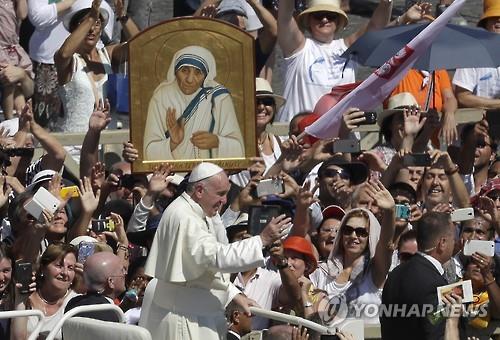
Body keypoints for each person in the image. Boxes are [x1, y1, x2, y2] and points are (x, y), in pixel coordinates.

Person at [140, 162, 290, 339]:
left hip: (198, 316)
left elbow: (209, 267)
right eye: (220, 194)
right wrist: (261, 240)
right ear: (200, 190)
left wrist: (234, 295)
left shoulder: (201, 211)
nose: (225, 200)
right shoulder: (184, 217)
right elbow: (216, 257)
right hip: (185, 321)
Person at [276, 0, 392, 122]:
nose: (325, 20)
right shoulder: (298, 48)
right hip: (298, 136)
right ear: (308, 20)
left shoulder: (347, 48)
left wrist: (386, 2)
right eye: (318, 15)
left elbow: (376, 28)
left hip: (341, 135)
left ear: (338, 21)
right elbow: (285, 18)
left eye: (331, 16)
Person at [310, 181, 396, 325]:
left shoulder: (375, 271)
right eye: (348, 230)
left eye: (361, 232)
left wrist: (390, 212)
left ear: (370, 237)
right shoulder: (322, 272)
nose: (354, 236)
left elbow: (386, 245)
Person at [143, 45, 245, 161]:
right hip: (172, 176)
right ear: (175, 71)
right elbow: (148, 153)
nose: (190, 79)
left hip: (210, 175)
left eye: (198, 73)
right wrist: (173, 143)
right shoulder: (161, 97)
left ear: (206, 76)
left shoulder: (219, 97)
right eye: (184, 70)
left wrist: (217, 141)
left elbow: (239, 149)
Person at [380, 212, 461, 340]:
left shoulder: (395, 274)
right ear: (443, 243)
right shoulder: (434, 284)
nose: (455, 243)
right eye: (453, 239)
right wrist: (452, 321)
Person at [11, 243, 79, 340]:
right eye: (59, 266)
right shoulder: (27, 298)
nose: (65, 273)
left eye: (70, 268)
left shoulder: (76, 302)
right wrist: (20, 301)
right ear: (43, 268)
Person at [453, 0, 500, 109]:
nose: (498, 19)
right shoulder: (471, 53)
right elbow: (462, 97)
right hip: (478, 120)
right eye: (493, 16)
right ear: (485, 23)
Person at [65, 252, 127, 322]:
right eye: (122, 270)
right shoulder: (110, 313)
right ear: (111, 282)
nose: (125, 273)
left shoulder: (73, 303)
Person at [0, 0, 33, 120]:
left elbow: (23, 14)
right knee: (9, 82)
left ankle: (19, 121)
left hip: (12, 48)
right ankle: (9, 120)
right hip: (1, 48)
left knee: (19, 85)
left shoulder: (13, 3)